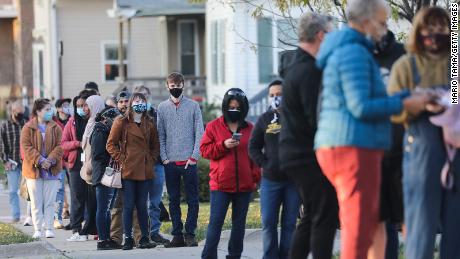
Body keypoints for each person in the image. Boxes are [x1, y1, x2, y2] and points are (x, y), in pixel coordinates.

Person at [314, 0, 431, 258]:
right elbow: (361, 106)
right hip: (352, 146)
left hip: (348, 143)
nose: (384, 28)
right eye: (381, 22)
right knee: (359, 225)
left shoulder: (347, 49)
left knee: (361, 221)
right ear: (366, 21)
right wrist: (404, 101)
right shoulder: (354, 52)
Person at [388, 7, 460, 259]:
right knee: (421, 226)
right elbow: (393, 108)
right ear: (419, 31)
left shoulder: (455, 63)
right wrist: (417, 102)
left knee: (456, 227)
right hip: (421, 149)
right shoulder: (407, 65)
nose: (436, 34)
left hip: (456, 149)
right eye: (430, 29)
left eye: (442, 29)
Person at [278, 13, 339, 259]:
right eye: (331, 34)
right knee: (325, 213)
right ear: (321, 35)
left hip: (295, 153)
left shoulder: (297, 66)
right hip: (306, 155)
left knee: (312, 213)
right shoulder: (309, 70)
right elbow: (317, 118)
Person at [201, 88, 261, 259]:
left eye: (237, 107)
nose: (234, 110)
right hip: (220, 185)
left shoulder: (251, 128)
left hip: (244, 186)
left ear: (243, 108)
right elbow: (204, 150)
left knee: (239, 225)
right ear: (225, 107)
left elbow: (255, 155)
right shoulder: (213, 126)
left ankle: (234, 255)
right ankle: (208, 256)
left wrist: (255, 178)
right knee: (216, 223)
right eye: (231, 106)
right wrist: (223, 145)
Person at [249, 80, 300, 259]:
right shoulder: (264, 119)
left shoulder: (297, 117)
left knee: (289, 223)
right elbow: (253, 147)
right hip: (270, 181)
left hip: (293, 182)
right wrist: (265, 163)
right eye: (272, 95)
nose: (275, 98)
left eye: (279, 94)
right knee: (268, 222)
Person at [107, 92, 160, 250]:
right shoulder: (121, 122)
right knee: (128, 205)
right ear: (131, 103)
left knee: (142, 206)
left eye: (142, 101)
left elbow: (155, 145)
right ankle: (128, 238)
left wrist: (150, 160)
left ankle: (144, 237)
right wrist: (123, 159)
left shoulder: (149, 122)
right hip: (128, 170)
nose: (139, 104)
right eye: (136, 101)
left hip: (144, 169)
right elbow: (110, 144)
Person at [157, 72, 204, 247]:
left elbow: (200, 132)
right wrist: (164, 158)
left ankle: (190, 233)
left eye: (178, 86)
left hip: (189, 161)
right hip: (170, 163)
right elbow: (160, 135)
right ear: (167, 86)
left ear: (183, 85)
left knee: (193, 199)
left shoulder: (193, 106)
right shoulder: (162, 108)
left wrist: (194, 156)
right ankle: (177, 234)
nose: (175, 88)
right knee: (174, 200)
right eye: (172, 86)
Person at [373, 30, 406, 259]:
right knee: (377, 219)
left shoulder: (403, 54)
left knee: (406, 219)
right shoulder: (359, 53)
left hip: (404, 146)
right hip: (370, 148)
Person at [21, 98, 63, 239]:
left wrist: (50, 160)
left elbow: (60, 146)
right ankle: (38, 229)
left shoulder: (56, 127)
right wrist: (40, 160)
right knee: (36, 201)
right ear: (38, 111)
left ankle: (49, 228)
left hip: (51, 169)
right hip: (33, 170)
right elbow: (26, 147)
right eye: (47, 109)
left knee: (50, 201)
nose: (50, 112)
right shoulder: (28, 127)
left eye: (50, 109)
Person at [133, 85, 170, 245]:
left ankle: (154, 232)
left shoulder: (158, 115)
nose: (142, 100)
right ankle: (141, 234)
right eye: (139, 97)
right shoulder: (130, 118)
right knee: (139, 202)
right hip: (137, 166)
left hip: (157, 164)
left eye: (145, 96)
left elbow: (163, 137)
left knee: (154, 202)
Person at [63, 90, 98, 242]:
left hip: (90, 165)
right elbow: (63, 143)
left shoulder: (94, 121)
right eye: (78, 106)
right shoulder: (72, 122)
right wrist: (77, 144)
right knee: (77, 197)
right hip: (76, 164)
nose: (82, 108)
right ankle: (76, 228)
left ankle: (90, 227)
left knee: (91, 198)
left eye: (84, 105)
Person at [91, 106, 121, 250]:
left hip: (110, 173)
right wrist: (113, 155)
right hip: (103, 175)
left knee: (108, 208)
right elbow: (97, 154)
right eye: (114, 120)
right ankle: (102, 240)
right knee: (103, 208)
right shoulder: (99, 131)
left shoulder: (106, 131)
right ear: (105, 119)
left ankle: (107, 238)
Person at [0, 100, 26, 223]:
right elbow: (1, 145)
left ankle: (31, 217)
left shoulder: (26, 124)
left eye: (23, 112)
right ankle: (16, 216)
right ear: (13, 111)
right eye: (19, 112)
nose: (21, 114)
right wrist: (5, 161)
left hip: (26, 162)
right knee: (12, 191)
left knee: (30, 190)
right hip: (12, 162)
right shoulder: (5, 126)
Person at [52, 98, 72, 229]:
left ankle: (76, 219)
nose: (67, 107)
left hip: (72, 160)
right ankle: (57, 218)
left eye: (68, 105)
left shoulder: (73, 120)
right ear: (58, 108)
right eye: (64, 105)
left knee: (76, 191)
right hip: (59, 162)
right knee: (59, 190)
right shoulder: (53, 123)